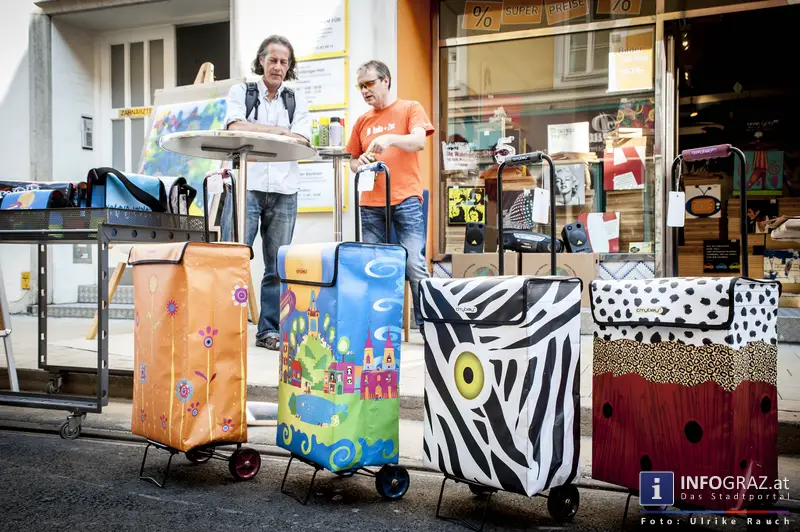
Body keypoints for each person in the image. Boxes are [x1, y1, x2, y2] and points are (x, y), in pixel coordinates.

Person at [221, 35, 312, 350]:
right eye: (273, 60)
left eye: (284, 62)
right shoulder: (241, 92)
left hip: (285, 190)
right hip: (246, 186)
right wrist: (278, 132)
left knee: (277, 268)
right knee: (232, 260)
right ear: (261, 61)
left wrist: (257, 130)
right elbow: (234, 126)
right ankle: (225, 331)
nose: (278, 66)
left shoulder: (296, 99)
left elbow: (302, 138)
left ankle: (269, 331)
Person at [346, 60, 435, 328]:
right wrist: (360, 162)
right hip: (370, 203)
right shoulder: (362, 121)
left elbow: (418, 141)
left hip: (406, 198)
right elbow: (352, 162)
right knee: (375, 267)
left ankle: (429, 327)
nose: (364, 91)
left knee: (414, 263)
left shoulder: (410, 108)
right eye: (360, 86)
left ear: (386, 80)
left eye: (369, 84)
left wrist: (390, 138)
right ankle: (381, 329)